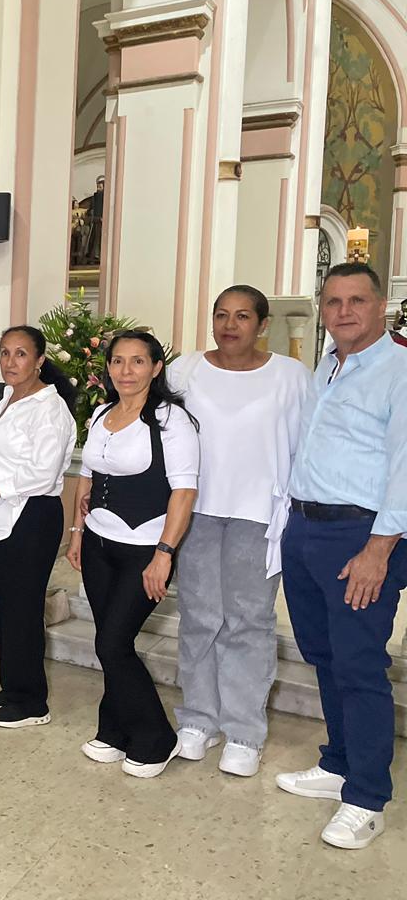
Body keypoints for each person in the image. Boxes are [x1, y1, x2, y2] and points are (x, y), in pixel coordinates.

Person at [274, 262, 407, 850]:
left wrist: (380, 548)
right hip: (306, 528)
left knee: (357, 664)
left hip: (362, 538)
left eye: (357, 300)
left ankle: (368, 796)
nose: (344, 311)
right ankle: (338, 763)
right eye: (333, 302)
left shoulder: (400, 370)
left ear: (382, 306)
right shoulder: (326, 365)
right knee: (322, 654)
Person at [167, 286, 312, 778]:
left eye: (243, 316)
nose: (230, 325)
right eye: (222, 315)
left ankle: (245, 731)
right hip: (196, 512)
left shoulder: (291, 376)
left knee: (248, 621)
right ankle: (198, 719)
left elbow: (304, 445)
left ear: (262, 325)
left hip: (258, 512)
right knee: (200, 617)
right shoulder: (185, 371)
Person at [67, 331, 199, 779]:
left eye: (137, 362)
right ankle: (115, 728)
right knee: (109, 639)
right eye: (118, 362)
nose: (126, 371)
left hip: (145, 546)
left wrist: (165, 553)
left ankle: (157, 738)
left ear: (156, 368)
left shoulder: (172, 421)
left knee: (113, 643)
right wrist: (77, 532)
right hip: (100, 542)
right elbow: (86, 475)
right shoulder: (102, 414)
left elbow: (184, 491)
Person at [0, 325, 77, 727]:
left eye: (21, 354)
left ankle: (32, 703)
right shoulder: (9, 397)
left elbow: (42, 474)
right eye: (5, 353)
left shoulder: (49, 407)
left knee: (24, 609)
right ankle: (13, 686)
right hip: (4, 515)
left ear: (40, 360)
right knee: (8, 606)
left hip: (33, 515)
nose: (11, 362)